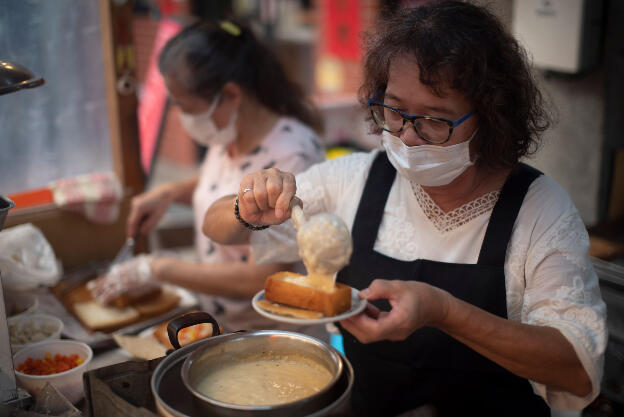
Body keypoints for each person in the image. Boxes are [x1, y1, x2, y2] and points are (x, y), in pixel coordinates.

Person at [202, 2, 607, 417]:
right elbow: (215, 225)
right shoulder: (355, 179)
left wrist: (445, 311)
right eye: (394, 110)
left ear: (491, 118)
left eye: (435, 120)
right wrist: (246, 205)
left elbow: (576, 371)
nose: (408, 137)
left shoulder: (538, 209)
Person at [88, 19, 325, 333]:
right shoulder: (227, 135)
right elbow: (219, 185)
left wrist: (158, 269)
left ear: (230, 94)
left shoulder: (292, 157)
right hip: (223, 321)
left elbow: (264, 278)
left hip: (273, 333)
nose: (183, 118)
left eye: (186, 107)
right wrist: (172, 192)